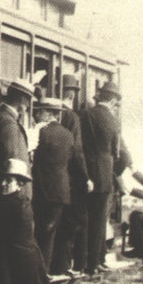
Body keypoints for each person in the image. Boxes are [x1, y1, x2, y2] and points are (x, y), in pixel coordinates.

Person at [31, 97, 89, 272]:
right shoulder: (68, 135)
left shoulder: (39, 132)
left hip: (42, 190)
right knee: (53, 234)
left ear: (49, 114)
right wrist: (87, 179)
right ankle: (56, 271)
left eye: (40, 111)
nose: (37, 114)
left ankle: (41, 279)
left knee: (41, 236)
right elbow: (77, 161)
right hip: (62, 192)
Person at [82, 81, 130, 274]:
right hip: (105, 176)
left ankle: (87, 262)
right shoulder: (114, 121)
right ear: (112, 100)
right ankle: (97, 261)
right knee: (100, 220)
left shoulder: (85, 115)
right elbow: (122, 155)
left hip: (85, 175)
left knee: (86, 219)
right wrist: (113, 172)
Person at [52, 74, 91, 275]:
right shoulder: (72, 118)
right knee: (71, 223)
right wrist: (85, 177)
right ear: (72, 95)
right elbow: (77, 152)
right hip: (69, 180)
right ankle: (66, 265)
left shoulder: (49, 113)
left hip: (49, 177)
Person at [0, 80, 34, 182]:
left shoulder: (3, 116)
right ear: (21, 99)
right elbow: (12, 156)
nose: (27, 105)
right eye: (27, 101)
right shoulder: (8, 122)